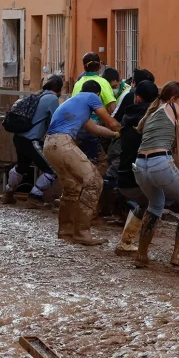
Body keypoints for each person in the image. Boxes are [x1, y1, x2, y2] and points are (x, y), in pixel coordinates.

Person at [114, 80, 179, 256]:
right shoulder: (172, 107)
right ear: (172, 98)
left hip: (139, 165)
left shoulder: (150, 112)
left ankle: (141, 254)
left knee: (154, 205)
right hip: (160, 163)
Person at [44, 80, 120, 246]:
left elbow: (96, 129)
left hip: (49, 145)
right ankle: (82, 232)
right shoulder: (92, 97)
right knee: (94, 182)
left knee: (72, 188)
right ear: (98, 94)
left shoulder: (75, 103)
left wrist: (115, 135)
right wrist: (123, 129)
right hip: (63, 143)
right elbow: (111, 122)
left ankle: (65, 230)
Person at [2, 76, 63, 209]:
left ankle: (8, 192)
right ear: (59, 90)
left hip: (19, 137)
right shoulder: (52, 99)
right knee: (51, 170)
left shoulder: (37, 95)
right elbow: (55, 121)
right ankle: (34, 197)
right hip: (31, 140)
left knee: (21, 167)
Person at [71, 53, 117, 169]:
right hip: (95, 128)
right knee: (101, 164)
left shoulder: (78, 84)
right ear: (100, 65)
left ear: (84, 67)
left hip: (76, 129)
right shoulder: (103, 83)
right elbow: (112, 109)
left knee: (81, 164)